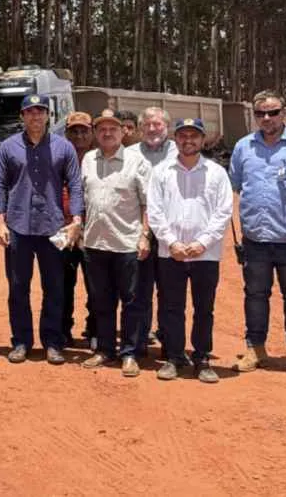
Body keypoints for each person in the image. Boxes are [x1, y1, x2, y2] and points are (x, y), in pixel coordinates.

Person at [229, 90, 286, 377]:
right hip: (255, 240)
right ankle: (256, 348)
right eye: (260, 113)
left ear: (284, 112)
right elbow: (237, 186)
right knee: (255, 294)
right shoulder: (243, 147)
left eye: (273, 112)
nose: (267, 118)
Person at [0, 94, 83, 365]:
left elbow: (75, 185)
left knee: (54, 287)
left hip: (53, 228)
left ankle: (53, 342)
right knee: (18, 288)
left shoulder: (63, 147)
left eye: (40, 112)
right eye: (29, 112)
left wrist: (76, 219)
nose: (35, 117)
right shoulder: (8, 148)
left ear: (47, 115)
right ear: (22, 116)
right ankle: (20, 341)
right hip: (18, 227)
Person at [147, 118, 232, 383]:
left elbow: (223, 212)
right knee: (171, 307)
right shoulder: (161, 172)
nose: (188, 140)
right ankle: (173, 357)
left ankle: (202, 358)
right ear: (175, 139)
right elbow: (155, 211)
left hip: (204, 254)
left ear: (202, 140)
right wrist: (171, 242)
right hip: (170, 253)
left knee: (203, 308)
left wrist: (202, 242)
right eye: (182, 135)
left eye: (193, 136)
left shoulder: (217, 173)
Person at [79, 110, 151, 376]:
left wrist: (145, 235)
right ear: (96, 134)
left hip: (127, 244)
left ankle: (129, 353)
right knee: (101, 300)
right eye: (101, 130)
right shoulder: (88, 159)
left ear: (123, 132)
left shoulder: (137, 162)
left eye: (113, 129)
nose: (107, 133)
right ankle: (105, 349)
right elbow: (83, 198)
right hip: (96, 244)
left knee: (131, 301)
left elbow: (147, 203)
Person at [128, 106, 178, 352]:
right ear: (139, 129)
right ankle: (137, 345)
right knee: (139, 292)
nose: (151, 129)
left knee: (170, 293)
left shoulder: (180, 153)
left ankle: (171, 346)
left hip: (172, 234)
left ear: (167, 127)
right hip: (138, 233)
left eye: (157, 124)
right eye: (146, 124)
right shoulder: (129, 154)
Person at [61, 111, 96, 349]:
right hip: (64, 231)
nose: (79, 135)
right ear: (67, 133)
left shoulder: (98, 158)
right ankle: (63, 329)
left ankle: (94, 329)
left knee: (96, 285)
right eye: (74, 131)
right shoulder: (59, 156)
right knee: (62, 284)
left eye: (84, 130)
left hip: (95, 231)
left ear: (91, 132)